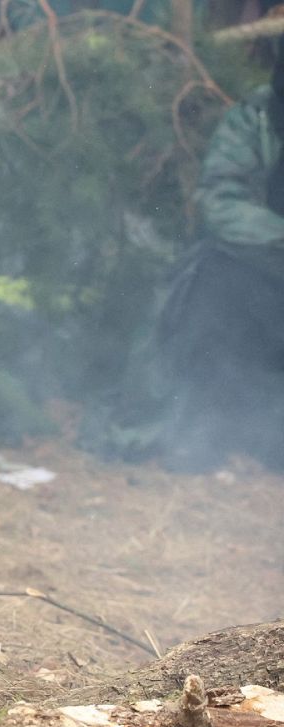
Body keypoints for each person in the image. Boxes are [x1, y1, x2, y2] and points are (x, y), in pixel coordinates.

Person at [155, 46, 284, 473]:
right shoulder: (257, 118)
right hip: (268, 272)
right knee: (212, 278)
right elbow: (220, 199)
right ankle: (201, 432)